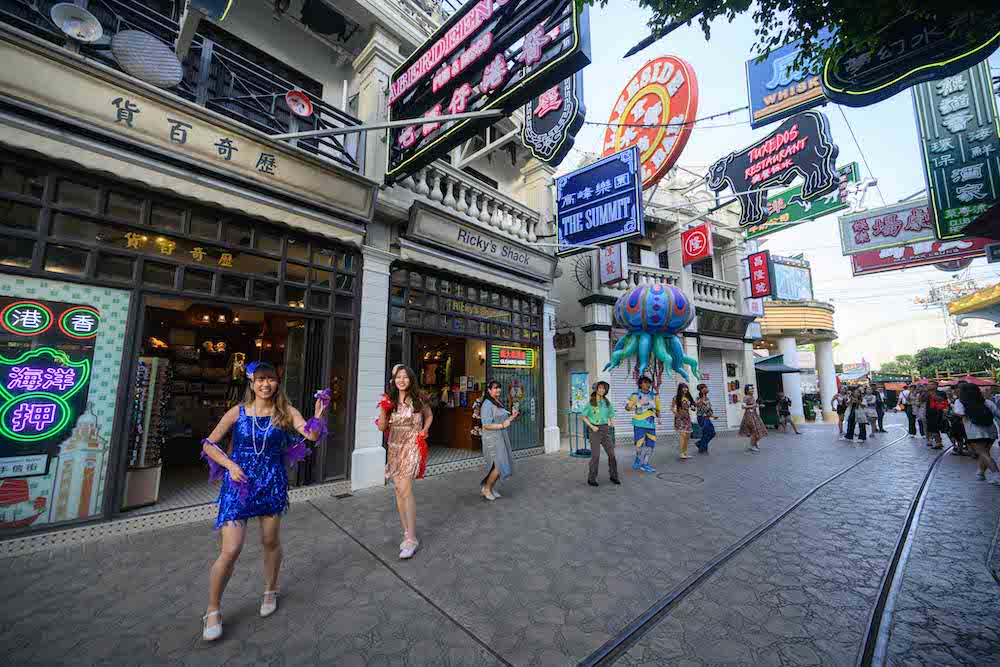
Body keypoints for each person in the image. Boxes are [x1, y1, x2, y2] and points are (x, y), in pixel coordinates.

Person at [200, 362, 327, 641]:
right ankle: (213, 609)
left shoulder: (285, 413)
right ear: (251, 383)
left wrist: (318, 414)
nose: (265, 384)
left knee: (270, 541)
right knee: (230, 549)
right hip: (238, 483)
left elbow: (312, 435)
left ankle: (270, 589)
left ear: (277, 382)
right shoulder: (238, 412)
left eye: (270, 379)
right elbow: (209, 443)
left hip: (271, 483)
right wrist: (230, 465)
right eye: (260, 380)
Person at [378, 365, 433, 560]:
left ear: (411, 380)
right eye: (398, 377)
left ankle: (411, 538)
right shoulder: (389, 401)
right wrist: (384, 410)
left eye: (405, 377)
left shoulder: (418, 399)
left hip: (412, 447)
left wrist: (424, 431)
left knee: (406, 489)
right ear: (394, 380)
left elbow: (429, 416)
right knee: (398, 491)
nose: (402, 380)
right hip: (394, 448)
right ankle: (406, 531)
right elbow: (382, 427)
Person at [955, 383, 1000, 486]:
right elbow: (997, 413)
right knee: (985, 453)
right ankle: (980, 473)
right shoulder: (987, 402)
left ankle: (996, 474)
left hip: (974, 431)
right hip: (991, 430)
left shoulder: (960, 402)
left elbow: (959, 413)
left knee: (983, 453)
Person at [479, 380, 516, 500]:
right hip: (492, 438)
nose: (498, 390)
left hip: (500, 436)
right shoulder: (487, 404)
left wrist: (512, 417)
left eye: (499, 388)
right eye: (495, 388)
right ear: (489, 390)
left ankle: (490, 488)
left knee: (499, 464)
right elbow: (486, 425)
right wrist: (502, 426)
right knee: (498, 465)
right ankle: (486, 488)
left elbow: (503, 421)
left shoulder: (496, 402)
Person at [581, 380, 618, 486]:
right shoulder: (590, 403)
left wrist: (611, 422)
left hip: (605, 429)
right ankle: (591, 478)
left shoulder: (607, 403)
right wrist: (592, 426)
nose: (602, 390)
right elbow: (583, 416)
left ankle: (614, 476)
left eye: (603, 388)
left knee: (611, 454)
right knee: (596, 456)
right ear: (596, 389)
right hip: (595, 430)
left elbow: (611, 414)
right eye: (600, 388)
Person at [625, 375, 660, 472]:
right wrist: (631, 406)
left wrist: (659, 417)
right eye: (645, 382)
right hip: (639, 423)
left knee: (651, 445)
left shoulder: (654, 395)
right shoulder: (635, 395)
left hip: (651, 424)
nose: (647, 384)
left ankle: (645, 463)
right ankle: (638, 458)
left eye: (649, 383)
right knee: (638, 445)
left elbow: (658, 408)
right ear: (640, 384)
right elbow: (627, 407)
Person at [738, 384, 767, 452]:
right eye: (750, 389)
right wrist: (753, 405)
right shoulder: (746, 397)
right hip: (749, 415)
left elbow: (753, 405)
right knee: (754, 431)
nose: (752, 390)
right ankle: (753, 445)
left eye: (752, 389)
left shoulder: (752, 397)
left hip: (754, 414)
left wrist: (758, 405)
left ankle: (754, 444)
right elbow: (743, 406)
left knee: (759, 430)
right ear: (747, 390)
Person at [671, 383, 696, 460]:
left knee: (687, 436)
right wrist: (676, 413)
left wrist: (693, 407)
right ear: (680, 389)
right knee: (683, 435)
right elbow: (671, 407)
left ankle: (685, 452)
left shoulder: (689, 398)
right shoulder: (676, 398)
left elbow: (693, 407)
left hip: (687, 417)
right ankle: (681, 453)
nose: (685, 389)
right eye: (683, 388)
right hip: (680, 417)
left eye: (686, 388)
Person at [695, 384, 717, 454]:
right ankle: (703, 449)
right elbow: (696, 405)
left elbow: (708, 409)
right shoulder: (699, 398)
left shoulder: (707, 399)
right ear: (702, 390)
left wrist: (713, 416)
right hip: (702, 418)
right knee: (706, 433)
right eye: (705, 388)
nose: (707, 389)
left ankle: (700, 443)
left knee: (712, 433)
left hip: (707, 417)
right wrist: (701, 400)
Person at [926, 381, 946, 449]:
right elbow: (920, 400)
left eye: (931, 384)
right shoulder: (926, 393)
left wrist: (932, 394)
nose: (929, 386)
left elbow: (941, 399)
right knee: (933, 429)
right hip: (929, 413)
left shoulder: (941, 393)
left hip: (939, 413)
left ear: (936, 386)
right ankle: (938, 442)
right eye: (928, 385)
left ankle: (955, 444)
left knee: (943, 428)